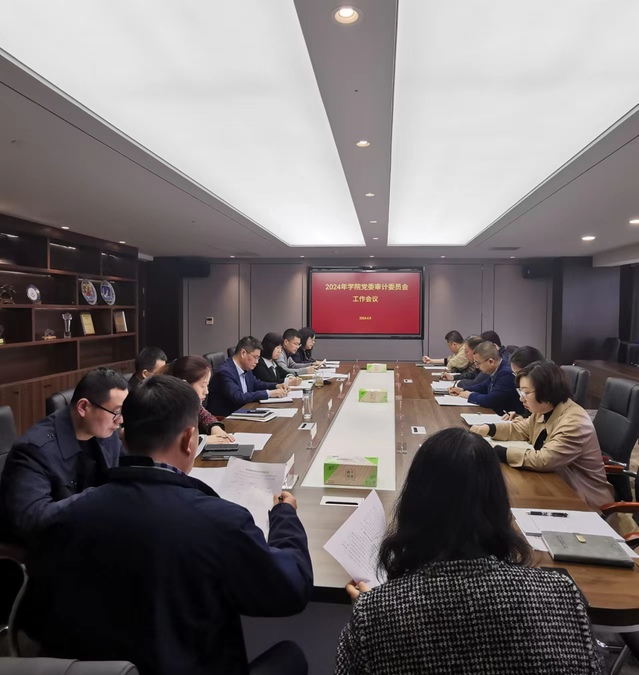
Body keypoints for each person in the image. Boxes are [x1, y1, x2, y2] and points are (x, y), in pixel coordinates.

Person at [23, 375, 313, 675]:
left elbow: (38, 615)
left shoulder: (69, 514)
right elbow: (291, 589)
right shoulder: (221, 521)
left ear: (123, 438)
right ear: (189, 440)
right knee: (291, 656)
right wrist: (285, 516)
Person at [335, 428, 601, 675]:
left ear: (413, 505)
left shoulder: (376, 613)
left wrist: (372, 615)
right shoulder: (562, 594)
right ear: (499, 503)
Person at [0, 368, 128, 545]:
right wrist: (99, 498)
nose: (120, 421)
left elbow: (124, 473)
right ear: (83, 407)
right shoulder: (33, 450)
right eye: (116, 412)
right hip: (49, 546)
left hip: (91, 532)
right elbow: (32, 519)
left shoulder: (107, 433)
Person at [470, 361, 614, 511]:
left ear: (546, 392)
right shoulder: (544, 409)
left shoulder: (574, 422)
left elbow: (545, 459)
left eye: (526, 393)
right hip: (554, 482)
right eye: (521, 392)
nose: (521, 399)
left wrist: (499, 452)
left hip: (582, 498)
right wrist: (488, 429)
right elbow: (522, 429)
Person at [206, 336, 289, 417]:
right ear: (243, 353)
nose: (257, 362)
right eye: (255, 357)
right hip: (226, 418)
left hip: (243, 411)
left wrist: (276, 386)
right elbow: (238, 397)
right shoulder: (225, 372)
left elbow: (256, 384)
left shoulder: (246, 368)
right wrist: (269, 393)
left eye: (258, 358)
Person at [162, 356, 235, 443]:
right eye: (203, 386)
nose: (206, 391)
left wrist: (215, 428)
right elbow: (170, 442)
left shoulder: (189, 402)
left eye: (207, 385)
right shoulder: (165, 406)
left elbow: (204, 416)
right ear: (185, 385)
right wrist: (204, 440)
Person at [449, 341, 526, 416]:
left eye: (478, 363)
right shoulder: (496, 369)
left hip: (509, 417)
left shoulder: (506, 373)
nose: (477, 367)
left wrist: (470, 395)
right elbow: (483, 386)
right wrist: (463, 390)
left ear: (491, 362)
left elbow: (491, 400)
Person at [501, 346, 546, 421]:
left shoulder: (546, 390)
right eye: (515, 374)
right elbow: (530, 416)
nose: (517, 378)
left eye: (519, 373)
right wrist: (519, 416)